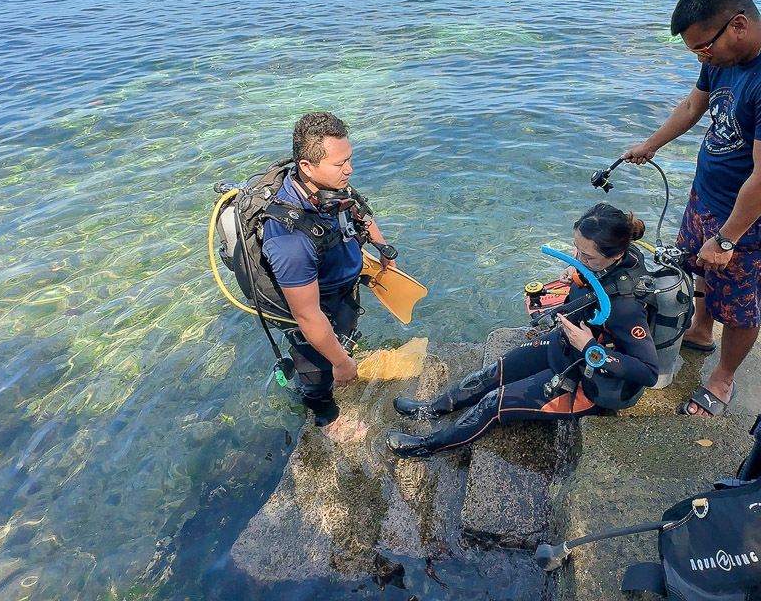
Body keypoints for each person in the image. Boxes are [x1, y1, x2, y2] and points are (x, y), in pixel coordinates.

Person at [623, 0, 761, 418]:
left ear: (737, 25)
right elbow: (694, 106)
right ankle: (699, 329)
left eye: (702, 48)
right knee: (697, 268)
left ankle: (723, 377)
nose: (701, 57)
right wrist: (652, 144)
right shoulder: (721, 54)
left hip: (747, 218)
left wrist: (728, 238)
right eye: (695, 51)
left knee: (741, 305)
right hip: (705, 197)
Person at [387, 204, 658, 457]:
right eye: (577, 250)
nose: (578, 258)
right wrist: (576, 271)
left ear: (616, 254)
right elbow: (592, 278)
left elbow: (648, 372)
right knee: (489, 375)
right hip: (564, 345)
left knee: (492, 403)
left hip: (589, 381)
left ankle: (428, 446)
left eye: (587, 256)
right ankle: (431, 410)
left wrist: (590, 348)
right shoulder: (606, 261)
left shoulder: (626, 307)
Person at [262, 112, 395, 427]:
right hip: (316, 311)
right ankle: (325, 418)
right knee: (317, 373)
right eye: (340, 164)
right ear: (307, 166)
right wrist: (340, 364)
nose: (349, 170)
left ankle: (341, 351)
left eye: (349, 159)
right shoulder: (289, 240)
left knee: (342, 340)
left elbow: (358, 210)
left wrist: (381, 246)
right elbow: (308, 317)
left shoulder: (329, 184)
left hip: (342, 289)